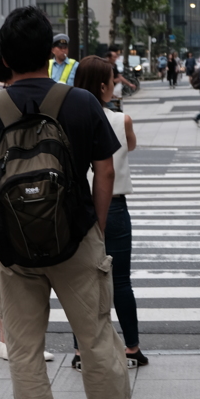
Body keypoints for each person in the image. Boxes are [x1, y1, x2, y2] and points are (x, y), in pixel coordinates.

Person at [0, 6, 133, 399]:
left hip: (13, 247)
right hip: (76, 237)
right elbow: (105, 172)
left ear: (5, 56)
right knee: (95, 337)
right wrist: (95, 225)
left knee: (23, 347)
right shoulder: (80, 102)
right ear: (50, 52)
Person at [70, 55, 146, 371]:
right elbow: (130, 147)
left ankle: (80, 351)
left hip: (78, 206)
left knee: (80, 281)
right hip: (113, 206)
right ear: (103, 85)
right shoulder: (121, 120)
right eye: (113, 80)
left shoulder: (68, 119)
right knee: (122, 281)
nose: (116, 84)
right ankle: (131, 348)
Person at [0, 39, 55, 363]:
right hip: (47, 206)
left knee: (7, 277)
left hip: (4, 206)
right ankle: (11, 338)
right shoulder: (55, 98)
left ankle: (10, 339)